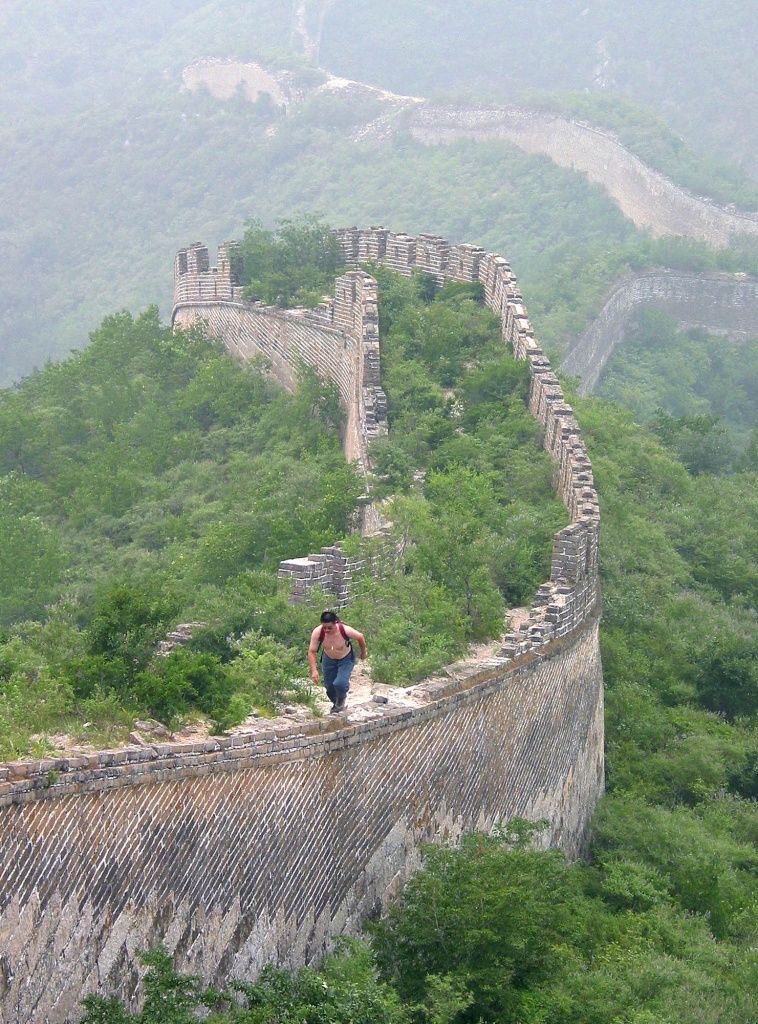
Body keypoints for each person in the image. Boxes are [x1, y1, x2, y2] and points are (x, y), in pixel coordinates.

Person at [308, 610, 367, 714]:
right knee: (329, 686)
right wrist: (314, 670)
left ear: (336, 623)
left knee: (340, 683)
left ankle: (341, 699)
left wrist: (363, 652)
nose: (326, 630)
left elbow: (360, 637)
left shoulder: (345, 630)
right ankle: (337, 704)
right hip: (328, 659)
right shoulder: (318, 632)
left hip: (345, 658)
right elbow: (312, 651)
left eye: (329, 628)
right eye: (324, 627)